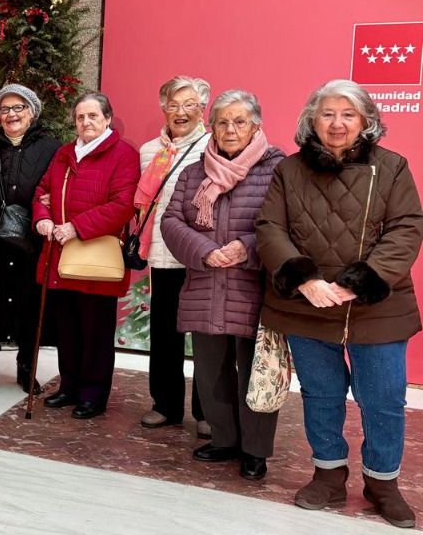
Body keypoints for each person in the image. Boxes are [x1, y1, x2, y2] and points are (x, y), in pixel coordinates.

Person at [256, 79, 423, 528]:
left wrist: (361, 281)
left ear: (366, 121)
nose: (337, 123)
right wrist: (305, 279)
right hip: (308, 306)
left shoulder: (391, 167)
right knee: (321, 395)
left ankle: (382, 482)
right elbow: (270, 228)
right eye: (327, 113)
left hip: (377, 307)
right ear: (312, 118)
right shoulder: (289, 171)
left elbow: (407, 228)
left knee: (384, 399)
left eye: (348, 114)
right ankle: (328, 474)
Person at [160, 90, 283, 481]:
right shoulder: (195, 170)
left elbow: (285, 223)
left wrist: (245, 248)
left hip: (254, 287)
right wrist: (205, 250)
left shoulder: (276, 169)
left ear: (256, 126)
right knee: (211, 370)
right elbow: (171, 221)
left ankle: (255, 450)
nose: (230, 129)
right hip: (205, 282)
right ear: (211, 126)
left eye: (239, 121)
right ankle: (225, 439)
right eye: (222, 122)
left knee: (254, 371)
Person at [33, 91, 140, 419]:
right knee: (67, 327)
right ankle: (69, 386)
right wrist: (43, 218)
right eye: (80, 117)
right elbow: (42, 191)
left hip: (95, 257)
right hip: (61, 256)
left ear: (107, 118)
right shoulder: (66, 154)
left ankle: (93, 394)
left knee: (95, 330)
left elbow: (122, 204)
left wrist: (76, 227)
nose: (86, 122)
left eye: (93, 116)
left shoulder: (124, 155)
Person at [0, 84, 60, 395]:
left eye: (19, 108)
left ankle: (26, 366)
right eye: (5, 109)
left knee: (29, 304)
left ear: (31, 112)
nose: (11, 114)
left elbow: (58, 190)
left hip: (32, 242)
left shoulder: (51, 149)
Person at [136, 76, 212, 433]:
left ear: (203, 109)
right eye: (173, 105)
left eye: (189, 105)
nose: (180, 112)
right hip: (162, 255)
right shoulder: (149, 150)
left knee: (204, 338)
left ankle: (207, 412)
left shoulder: (213, 146)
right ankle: (165, 404)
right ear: (163, 108)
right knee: (164, 332)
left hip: (200, 256)